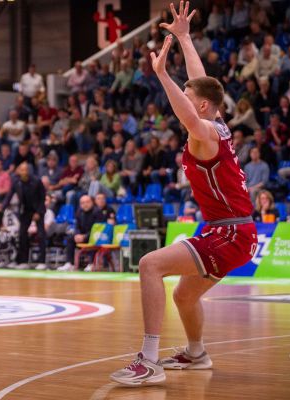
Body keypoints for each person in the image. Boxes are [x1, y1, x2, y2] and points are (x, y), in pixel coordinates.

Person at [110, 3, 257, 386]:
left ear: (202, 106)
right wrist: (185, 38)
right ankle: (196, 353)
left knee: (150, 265)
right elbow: (200, 82)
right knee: (184, 296)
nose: (182, 97)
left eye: (186, 95)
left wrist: (161, 74)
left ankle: (149, 361)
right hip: (232, 231)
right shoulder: (217, 122)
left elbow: (190, 113)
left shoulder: (205, 132)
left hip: (230, 232)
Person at [0, 162, 46, 270]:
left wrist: (38, 212)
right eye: (21, 170)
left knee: (41, 234)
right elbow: (9, 196)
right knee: (22, 234)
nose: (23, 172)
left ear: (28, 171)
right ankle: (23, 261)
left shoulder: (37, 181)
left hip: (38, 209)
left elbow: (42, 198)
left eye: (25, 170)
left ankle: (42, 261)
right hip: (25, 210)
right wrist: (2, 208)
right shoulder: (16, 181)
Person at [57, 195, 105, 272]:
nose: (85, 204)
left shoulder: (97, 212)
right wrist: (77, 235)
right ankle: (69, 263)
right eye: (82, 203)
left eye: (87, 202)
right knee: (70, 238)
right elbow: (77, 227)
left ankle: (91, 264)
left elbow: (98, 230)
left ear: (92, 202)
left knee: (94, 239)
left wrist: (85, 236)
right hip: (82, 236)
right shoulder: (79, 212)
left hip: (95, 236)